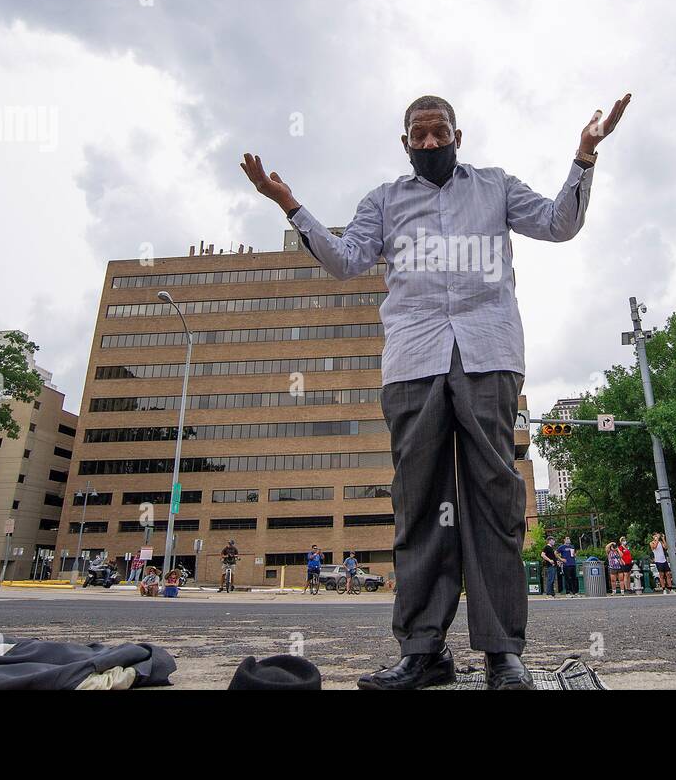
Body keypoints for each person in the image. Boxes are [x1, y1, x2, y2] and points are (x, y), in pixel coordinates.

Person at [243, 92, 631, 691]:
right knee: (420, 503)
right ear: (405, 143)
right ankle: (423, 651)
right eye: (418, 136)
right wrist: (289, 204)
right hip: (414, 361)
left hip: (488, 354)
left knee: (494, 500)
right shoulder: (384, 201)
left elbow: (560, 224)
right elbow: (347, 261)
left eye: (438, 133)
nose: (429, 143)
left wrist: (584, 155)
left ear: (457, 135)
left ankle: (503, 651)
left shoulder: (496, 187)